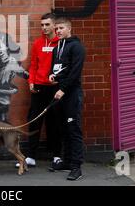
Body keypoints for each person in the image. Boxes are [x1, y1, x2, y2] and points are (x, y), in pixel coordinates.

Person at [16, 13, 64, 169]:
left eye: (47, 25)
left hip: (55, 89)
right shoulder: (37, 43)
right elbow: (34, 65)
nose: (44, 28)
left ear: (54, 25)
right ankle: (30, 157)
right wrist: (31, 82)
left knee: (55, 122)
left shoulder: (61, 43)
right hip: (38, 88)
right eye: (42, 25)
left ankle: (57, 156)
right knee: (34, 122)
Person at [49, 17, 85, 181]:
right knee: (63, 129)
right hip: (59, 92)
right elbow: (56, 68)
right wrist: (52, 76)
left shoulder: (77, 47)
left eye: (61, 28)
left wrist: (63, 89)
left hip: (71, 94)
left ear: (69, 29)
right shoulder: (57, 48)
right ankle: (67, 162)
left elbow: (75, 72)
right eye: (56, 29)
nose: (58, 31)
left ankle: (76, 167)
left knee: (73, 129)